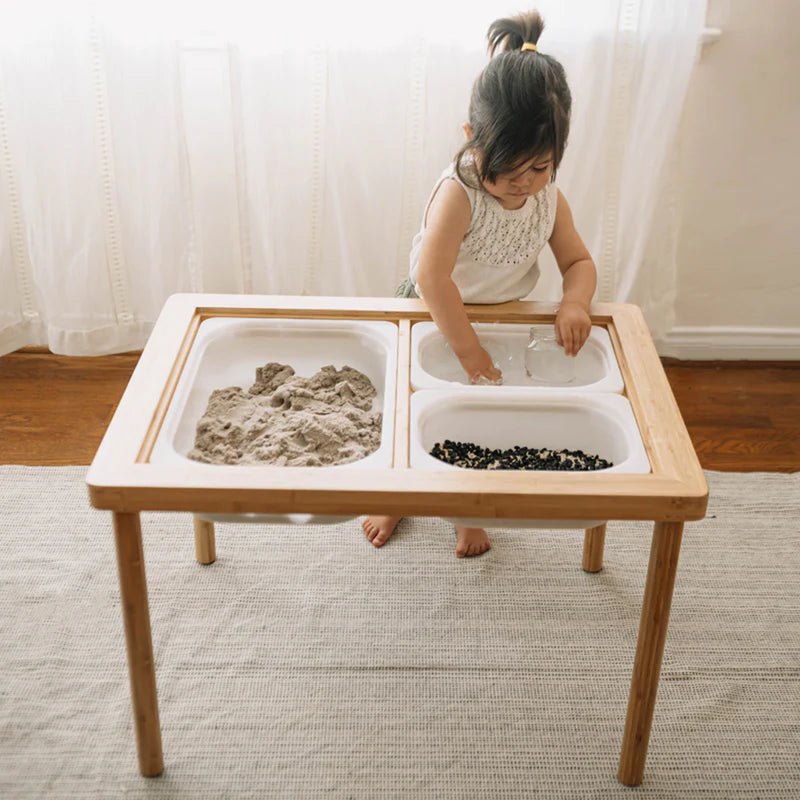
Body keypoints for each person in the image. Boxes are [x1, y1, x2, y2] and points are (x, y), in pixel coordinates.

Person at [363, 9, 597, 557]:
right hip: (434, 311)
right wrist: (467, 350)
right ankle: (398, 492)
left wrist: (575, 302)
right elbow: (431, 275)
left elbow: (578, 261)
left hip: (504, 314)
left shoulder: (548, 197)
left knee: (479, 420)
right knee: (411, 413)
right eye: (509, 170)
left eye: (539, 169)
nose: (523, 185)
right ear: (472, 140)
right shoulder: (459, 193)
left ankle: (465, 508)